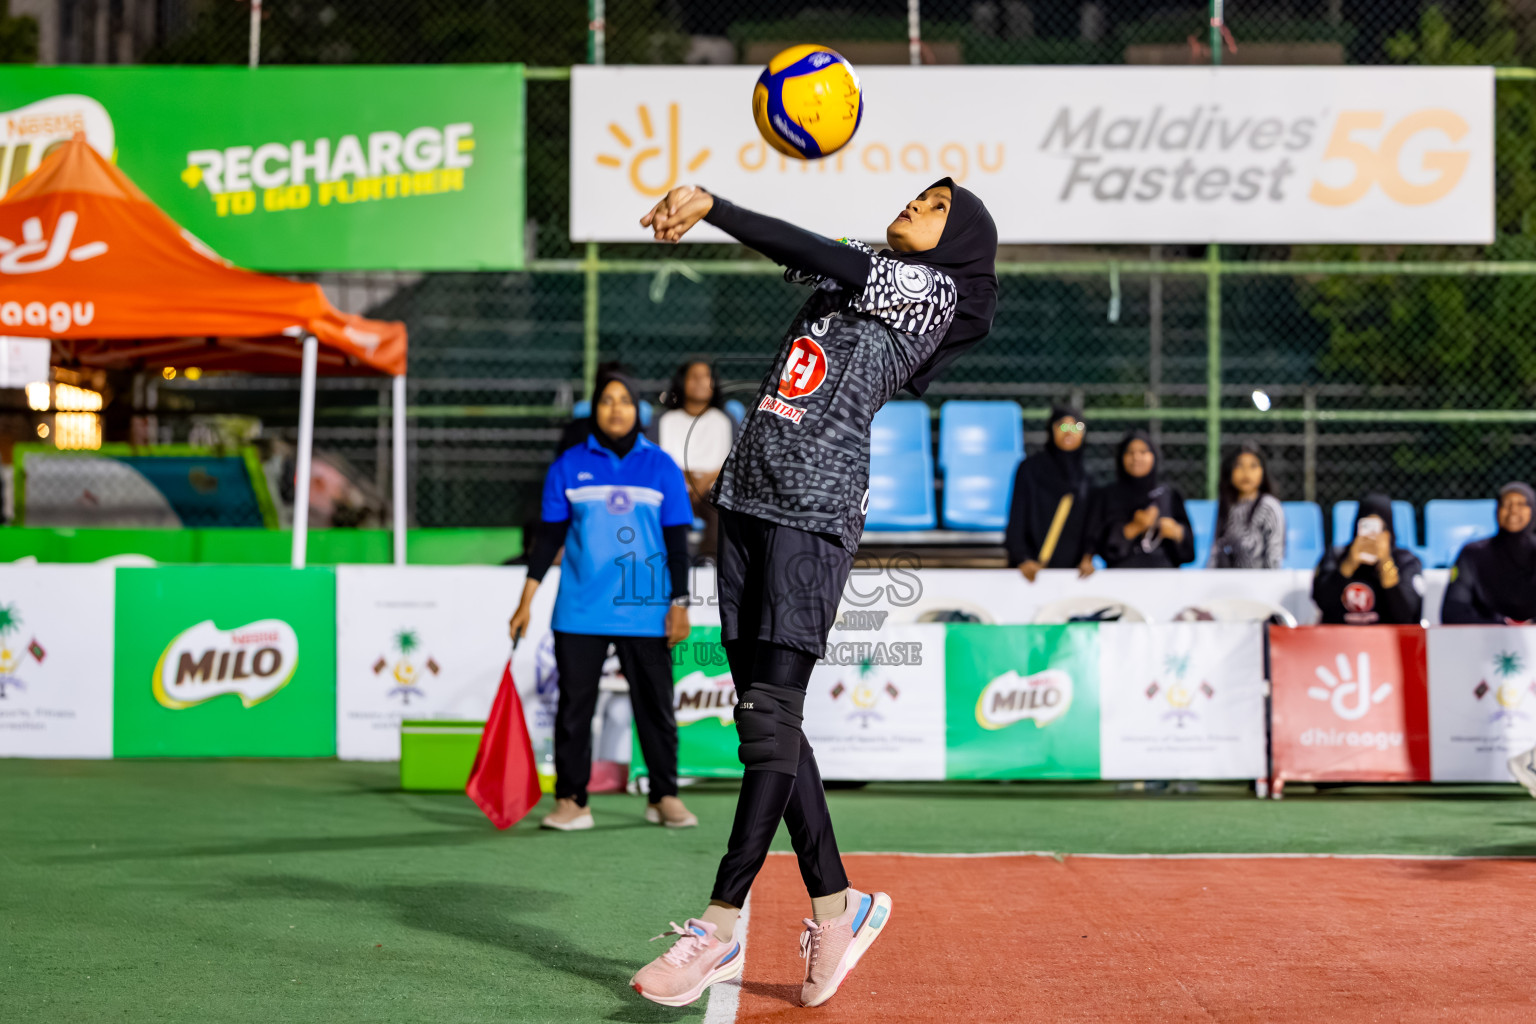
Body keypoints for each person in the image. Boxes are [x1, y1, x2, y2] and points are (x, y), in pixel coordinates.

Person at [628, 177, 997, 1008]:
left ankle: (718, 928)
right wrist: (710, 214)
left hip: (812, 512)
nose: (914, 204)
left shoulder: (931, 291)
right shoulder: (862, 266)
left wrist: (714, 205)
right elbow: (808, 251)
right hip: (746, 499)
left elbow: (813, 251)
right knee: (767, 722)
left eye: (935, 205)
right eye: (918, 194)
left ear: (959, 238)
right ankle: (840, 906)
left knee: (767, 719)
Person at [508, 367, 698, 833]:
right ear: (595, 408)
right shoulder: (568, 466)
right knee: (575, 708)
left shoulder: (661, 467)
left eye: (626, 401)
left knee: (655, 710)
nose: (617, 409)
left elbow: (678, 543)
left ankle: (663, 796)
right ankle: (572, 801)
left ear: (639, 410)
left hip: (647, 610)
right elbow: (549, 536)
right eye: (608, 400)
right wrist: (526, 600)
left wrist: (680, 603)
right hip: (580, 610)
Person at [1005, 404, 1095, 581]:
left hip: (1074, 572)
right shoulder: (1030, 469)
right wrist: (1022, 558)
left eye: (1077, 426)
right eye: (1062, 426)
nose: (1069, 432)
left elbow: (1093, 525)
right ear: (1051, 429)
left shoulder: (1087, 475)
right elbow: (1017, 517)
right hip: (1031, 570)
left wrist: (1088, 556)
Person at [1085, 429, 1195, 569]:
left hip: (1165, 579)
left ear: (1154, 456)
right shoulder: (1108, 495)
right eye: (1130, 452)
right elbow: (1097, 545)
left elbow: (1189, 552)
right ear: (1121, 458)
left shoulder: (1169, 495)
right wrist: (1133, 528)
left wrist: (1176, 532)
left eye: (1143, 452)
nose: (1136, 457)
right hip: (1121, 577)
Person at [657, 359, 735, 554]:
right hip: (676, 487)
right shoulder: (666, 420)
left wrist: (705, 481)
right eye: (694, 377)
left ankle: (710, 560)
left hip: (711, 488)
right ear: (682, 382)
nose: (700, 382)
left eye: (705, 377)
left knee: (720, 508)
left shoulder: (724, 421)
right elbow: (661, 462)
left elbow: (729, 464)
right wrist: (687, 480)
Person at [1312, 493, 1424, 625]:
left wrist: (1385, 563)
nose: (1372, 536)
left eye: (1378, 529)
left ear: (1388, 530)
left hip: (1387, 641)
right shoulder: (1336, 556)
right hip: (1341, 640)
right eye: (1366, 526)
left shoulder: (1406, 561)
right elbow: (1323, 602)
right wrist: (1349, 565)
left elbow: (1407, 615)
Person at [1443, 482, 1536, 625]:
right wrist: (1499, 627)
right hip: (1484, 640)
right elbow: (1452, 610)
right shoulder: (1472, 553)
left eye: (1521, 504)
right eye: (1506, 504)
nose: (1513, 510)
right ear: (1497, 509)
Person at [1209, 444, 1286, 569]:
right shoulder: (1227, 507)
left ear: (1263, 471)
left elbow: (1274, 557)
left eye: (1253, 466)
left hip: (1259, 582)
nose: (1246, 472)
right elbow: (1215, 552)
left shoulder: (1269, 506)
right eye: (1239, 466)